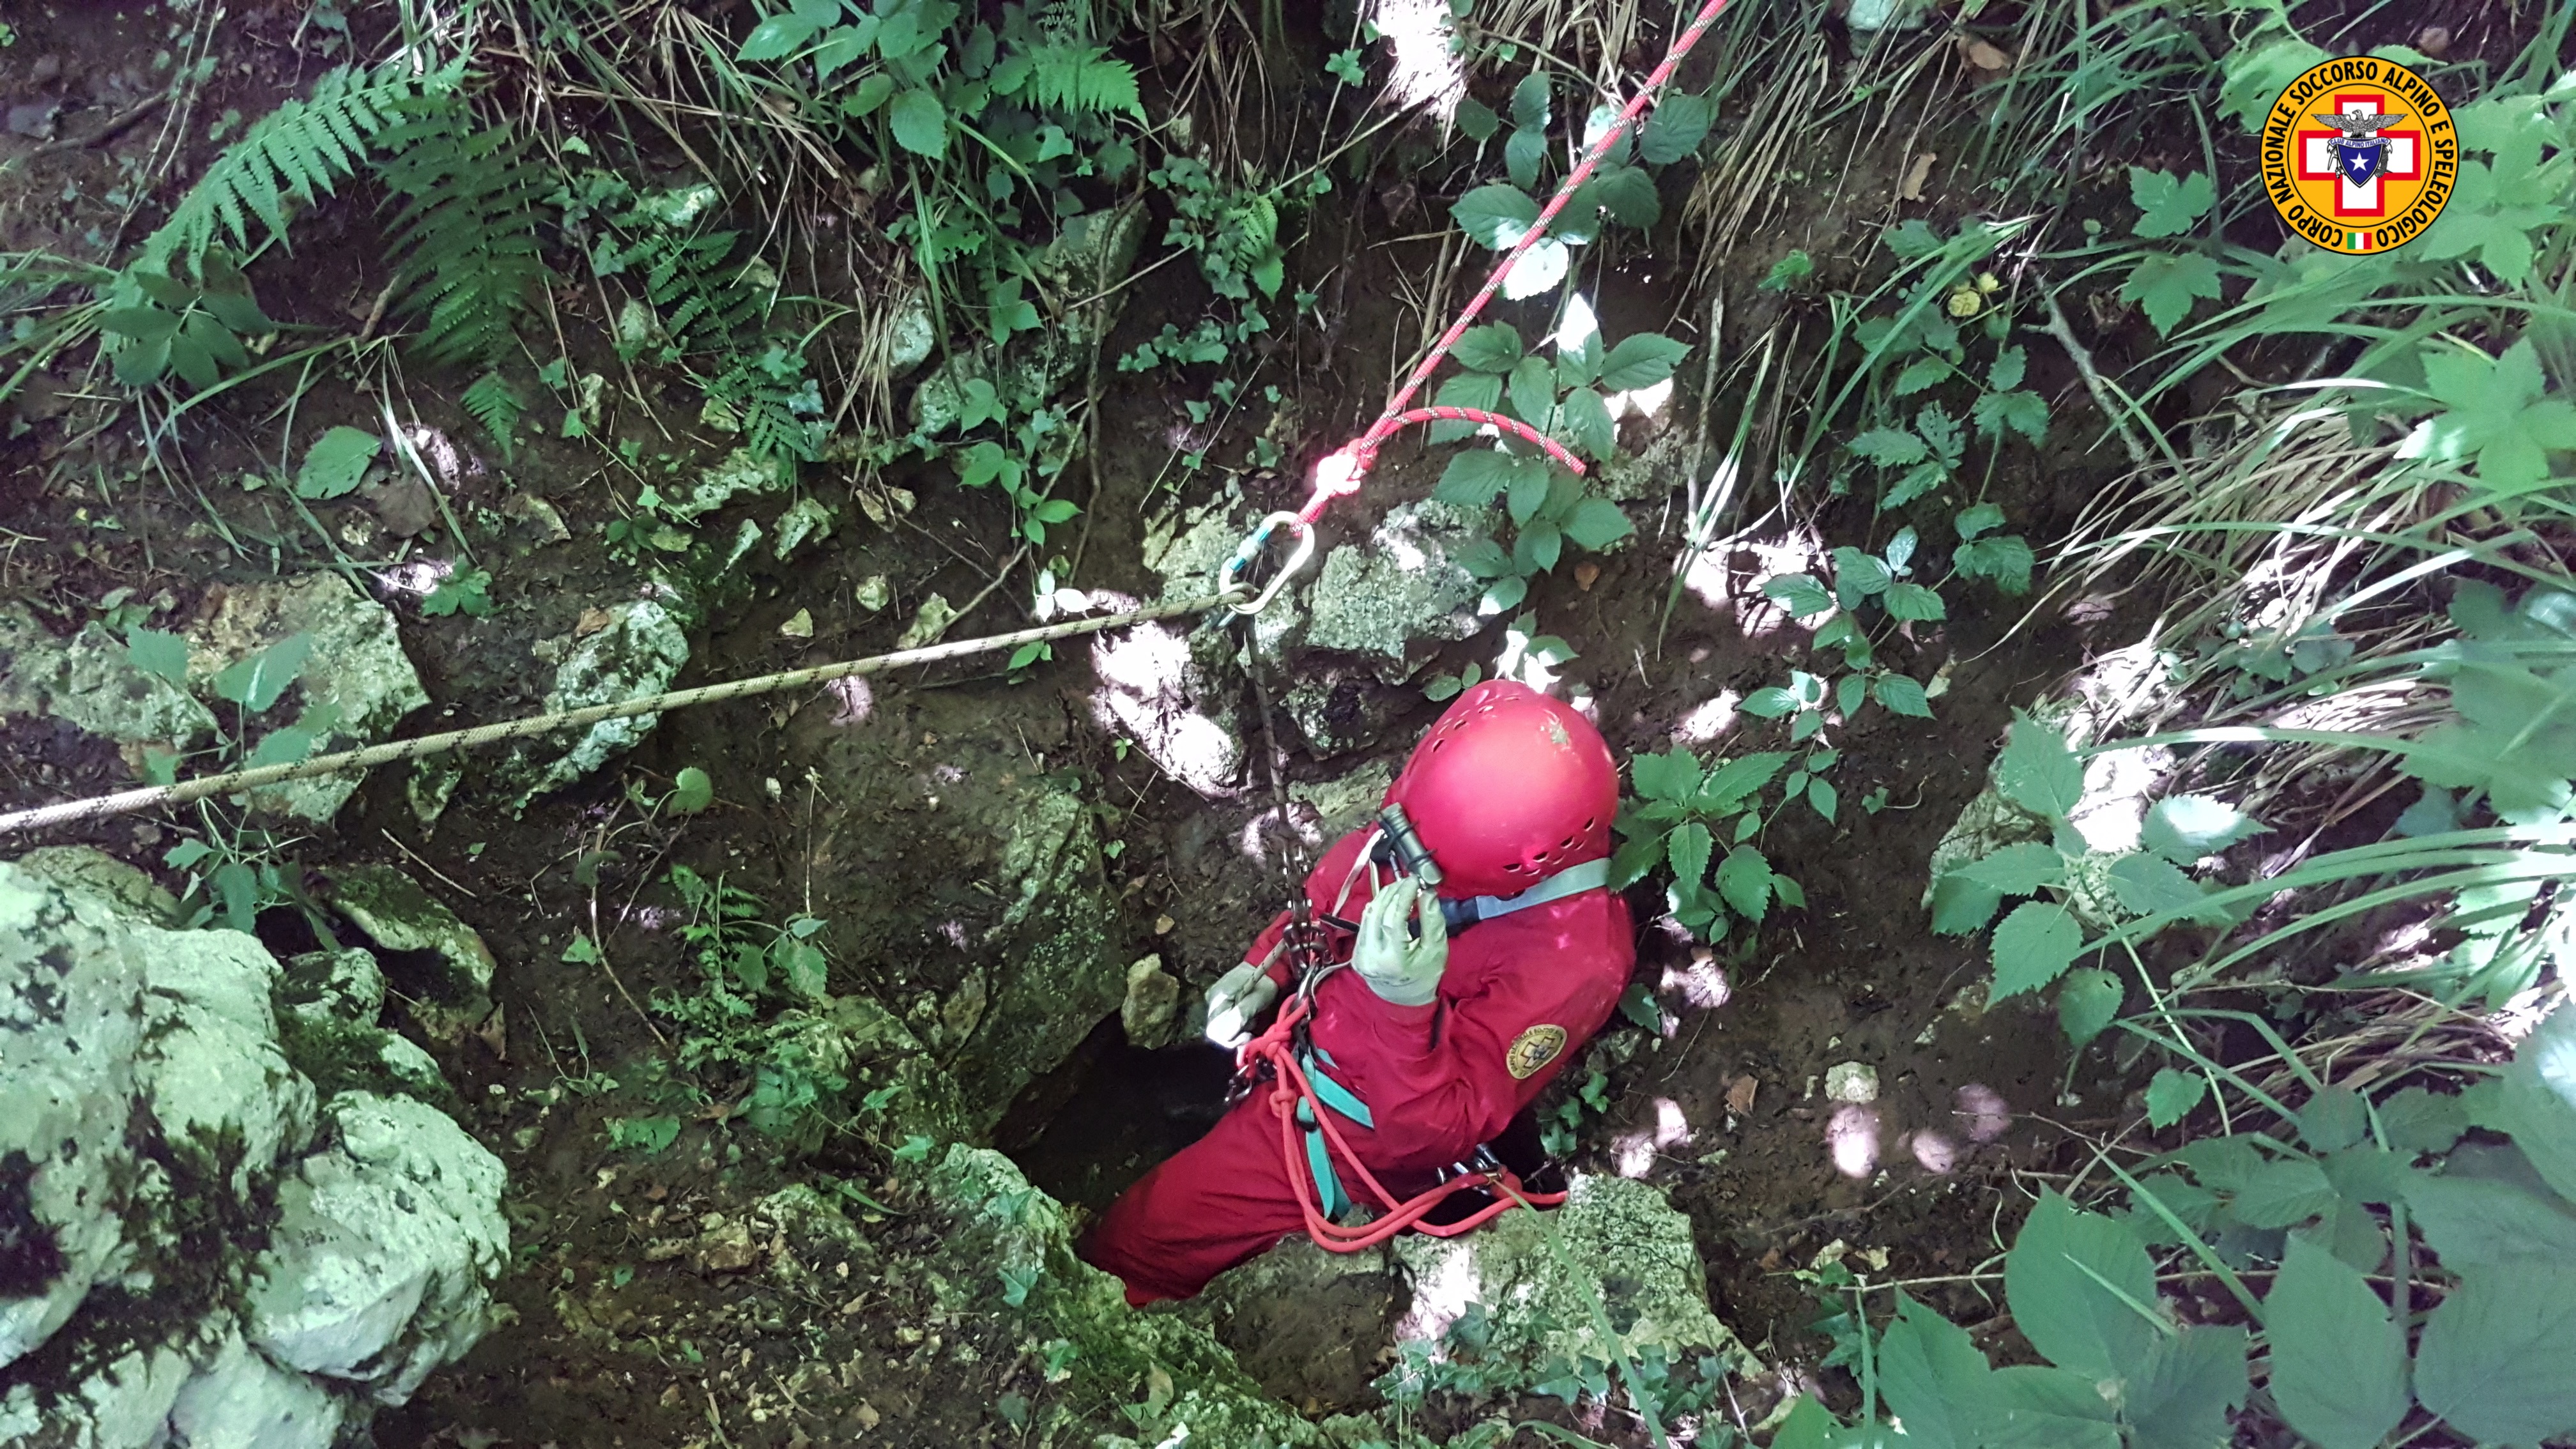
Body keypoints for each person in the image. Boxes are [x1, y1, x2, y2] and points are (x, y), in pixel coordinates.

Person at [1081, 680, 1636, 1305]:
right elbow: (1361, 869)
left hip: (1349, 1132)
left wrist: (1400, 1007)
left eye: (1427, 865)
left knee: (1141, 1239)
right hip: (1312, 1041)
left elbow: (1432, 1133)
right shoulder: (1469, 756)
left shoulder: (1575, 965)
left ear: (1514, 871)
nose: (1405, 854)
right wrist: (1268, 966)